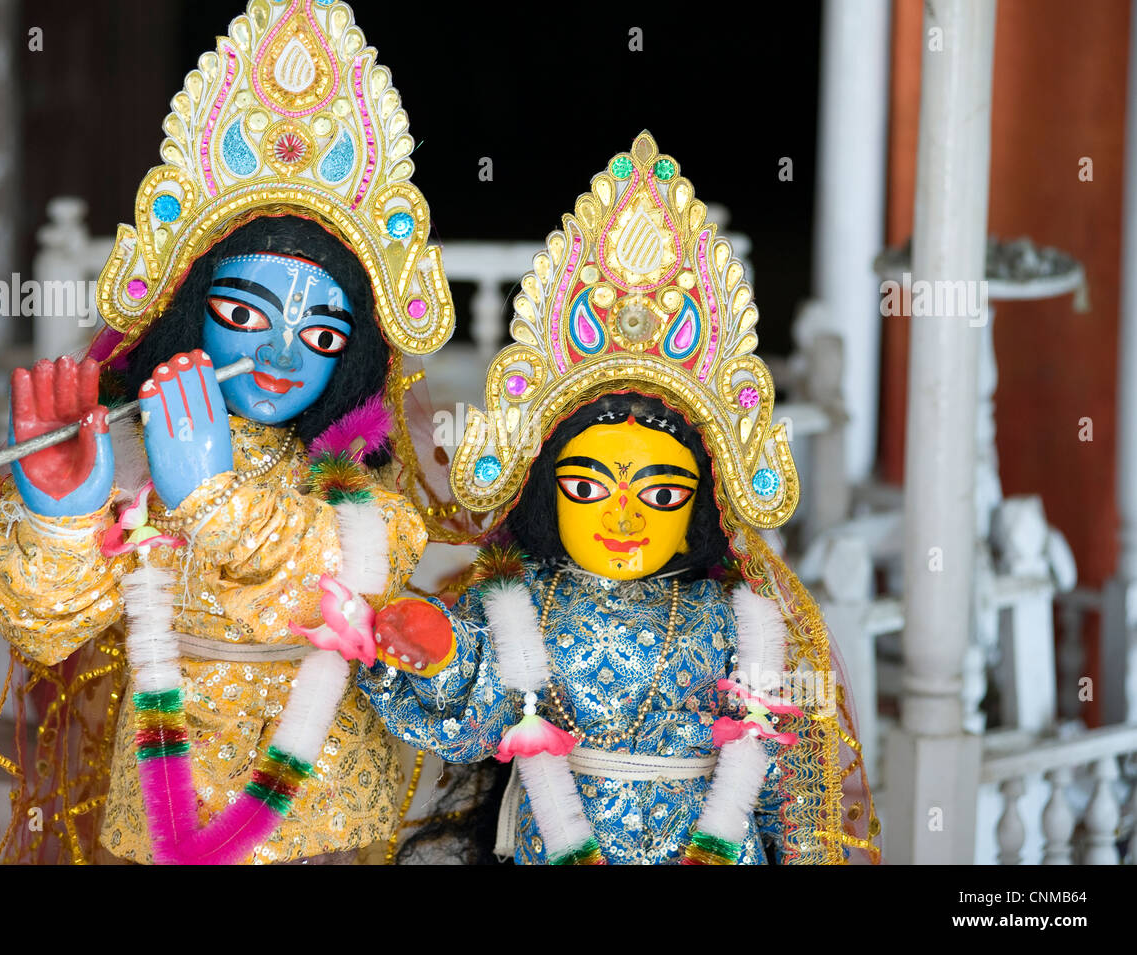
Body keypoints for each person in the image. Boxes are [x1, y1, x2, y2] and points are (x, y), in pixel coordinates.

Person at [0, 0, 462, 865]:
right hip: (161, 810)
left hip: (321, 813)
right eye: (245, 311)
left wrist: (212, 493)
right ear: (188, 316)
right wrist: (67, 509)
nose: (280, 351)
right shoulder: (141, 460)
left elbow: (336, 581)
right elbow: (46, 631)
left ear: (352, 359)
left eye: (321, 333)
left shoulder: (357, 490)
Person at [312, 132, 881, 864]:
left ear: (700, 515)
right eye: (586, 486)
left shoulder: (736, 619)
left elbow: (791, 769)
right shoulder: (522, 606)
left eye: (662, 492)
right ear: (547, 497)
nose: (623, 516)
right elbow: (471, 697)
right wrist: (433, 643)